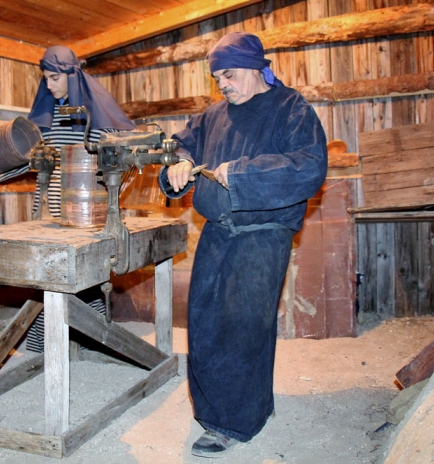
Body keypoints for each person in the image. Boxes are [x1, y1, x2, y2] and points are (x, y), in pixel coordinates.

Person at [158, 32, 328, 457]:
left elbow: (310, 167)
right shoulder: (212, 116)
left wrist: (243, 173)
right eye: (217, 78)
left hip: (263, 235)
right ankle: (235, 407)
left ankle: (230, 423)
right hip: (217, 230)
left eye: (229, 75)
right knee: (203, 323)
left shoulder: (291, 109)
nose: (223, 84)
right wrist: (176, 165)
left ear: (255, 68)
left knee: (243, 327)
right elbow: (180, 145)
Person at [24, 45, 136, 352]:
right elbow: (41, 154)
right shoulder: (52, 112)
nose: (49, 85)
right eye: (45, 78)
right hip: (56, 205)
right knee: (51, 272)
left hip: (89, 206)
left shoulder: (93, 110)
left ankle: (90, 336)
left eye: (55, 78)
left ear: (72, 77)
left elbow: (116, 150)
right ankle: (47, 342)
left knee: (83, 274)